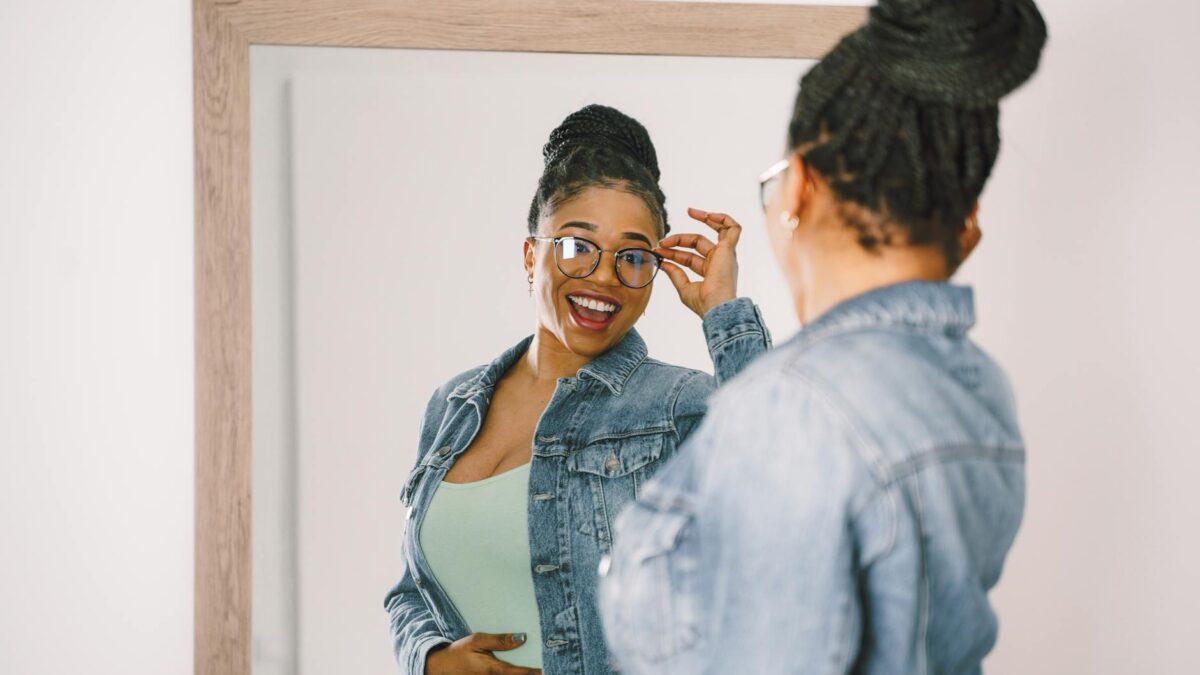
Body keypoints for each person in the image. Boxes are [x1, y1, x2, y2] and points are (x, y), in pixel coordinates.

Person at [598, 1, 1047, 673]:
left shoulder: (797, 411)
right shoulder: (979, 385)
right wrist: (724, 314)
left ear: (799, 189)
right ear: (965, 225)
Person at [383, 104, 771, 674]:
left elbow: (785, 499)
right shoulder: (454, 405)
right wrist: (432, 658)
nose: (604, 277)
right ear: (528, 255)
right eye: (575, 246)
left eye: (633, 256)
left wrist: (725, 313)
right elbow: (409, 592)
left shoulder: (679, 407)